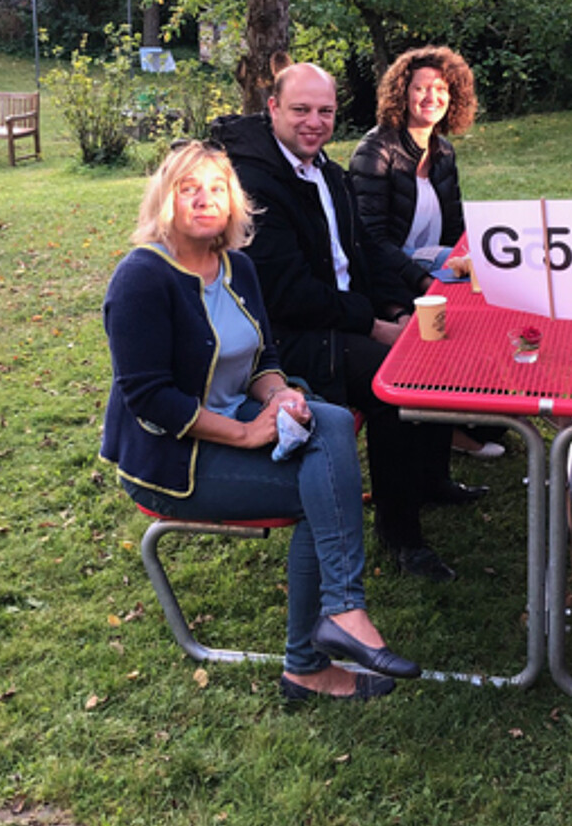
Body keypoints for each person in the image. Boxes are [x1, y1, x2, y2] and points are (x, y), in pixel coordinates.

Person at [102, 140, 419, 702]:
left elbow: (263, 358)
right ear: (164, 200)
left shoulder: (238, 267)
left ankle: (340, 615)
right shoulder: (142, 277)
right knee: (319, 492)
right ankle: (312, 658)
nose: (204, 200)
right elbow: (150, 399)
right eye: (188, 189)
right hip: (173, 457)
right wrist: (248, 431)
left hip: (239, 415)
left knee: (331, 421)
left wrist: (280, 395)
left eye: (216, 189)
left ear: (233, 203)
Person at [212, 63, 468, 583]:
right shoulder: (253, 184)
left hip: (341, 314)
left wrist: (399, 304)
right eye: (301, 110)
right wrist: (374, 325)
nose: (314, 122)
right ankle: (401, 535)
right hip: (287, 339)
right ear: (273, 109)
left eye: (325, 111)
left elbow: (363, 250)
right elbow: (287, 294)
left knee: (435, 339)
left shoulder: (324, 170)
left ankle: (431, 480)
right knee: (394, 382)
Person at [349, 46, 500, 461]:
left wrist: (467, 263)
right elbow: (370, 241)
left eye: (441, 89)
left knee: (495, 281)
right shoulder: (375, 152)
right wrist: (424, 281)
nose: (431, 97)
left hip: (435, 264)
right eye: (420, 88)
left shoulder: (443, 151)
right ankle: (450, 428)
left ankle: (481, 407)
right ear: (402, 93)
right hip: (388, 275)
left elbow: (456, 229)